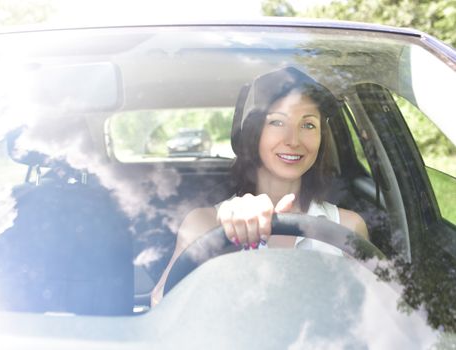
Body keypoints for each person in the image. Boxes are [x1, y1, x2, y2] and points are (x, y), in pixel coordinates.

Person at [151, 67, 369, 306]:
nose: (293, 140)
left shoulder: (348, 227)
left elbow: (375, 319)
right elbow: (161, 306)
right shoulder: (204, 224)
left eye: (308, 125)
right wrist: (222, 244)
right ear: (253, 133)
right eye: (277, 121)